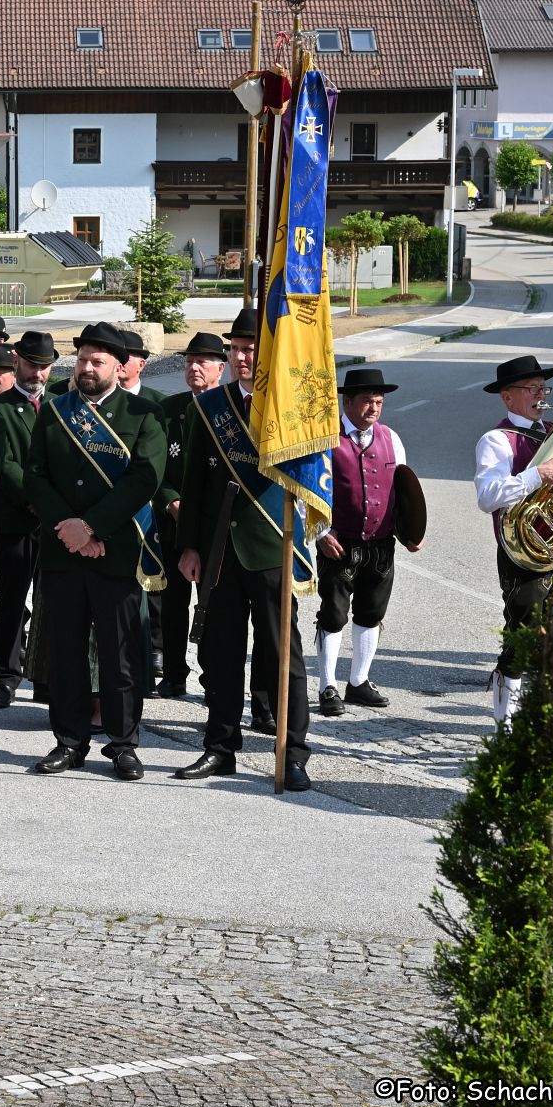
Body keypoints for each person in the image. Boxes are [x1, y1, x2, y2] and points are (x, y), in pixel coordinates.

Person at [172, 309, 313, 791]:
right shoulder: (211, 406)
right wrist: (189, 546)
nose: (241, 357)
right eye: (234, 349)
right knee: (220, 655)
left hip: (273, 544)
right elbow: (194, 483)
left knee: (282, 656)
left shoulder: (290, 407)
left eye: (250, 349)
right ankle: (220, 747)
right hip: (219, 551)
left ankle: (293, 753)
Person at [24, 323, 166, 782]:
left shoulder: (144, 414)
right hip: (63, 551)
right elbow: (35, 475)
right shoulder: (55, 411)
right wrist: (69, 529)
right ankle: (69, 741)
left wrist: (91, 527)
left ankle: (123, 743)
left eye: (97, 361)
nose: (87, 367)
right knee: (66, 653)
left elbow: (144, 479)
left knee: (119, 654)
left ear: (118, 368)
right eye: (83, 359)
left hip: (117, 552)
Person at [475, 353, 553, 727]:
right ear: (507, 396)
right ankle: (506, 728)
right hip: (522, 555)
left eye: (544, 388)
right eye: (532, 389)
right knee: (521, 641)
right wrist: (537, 475)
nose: (541, 395)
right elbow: (487, 497)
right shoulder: (497, 440)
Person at [316, 368, 416, 714]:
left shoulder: (391, 438)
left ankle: (359, 681)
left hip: (381, 544)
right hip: (339, 542)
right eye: (367, 401)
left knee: (371, 613)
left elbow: (404, 490)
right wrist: (320, 532)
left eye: (378, 402)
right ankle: (327, 685)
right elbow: (308, 492)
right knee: (333, 615)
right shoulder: (327, 438)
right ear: (347, 402)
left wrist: (411, 532)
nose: (373, 408)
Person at [0, 331, 57, 710]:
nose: (37, 373)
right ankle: (7, 676)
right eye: (31, 365)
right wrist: (40, 500)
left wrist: (59, 507)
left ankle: (46, 675)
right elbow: (2, 464)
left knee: (52, 601)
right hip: (14, 519)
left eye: (44, 367)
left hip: (57, 524)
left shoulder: (62, 406)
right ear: (16, 362)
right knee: (11, 601)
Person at [151, 333, 227, 701]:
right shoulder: (169, 410)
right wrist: (170, 501)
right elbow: (153, 467)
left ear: (220, 369)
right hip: (174, 525)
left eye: (202, 361)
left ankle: (214, 677)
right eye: (189, 361)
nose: (194, 367)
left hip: (215, 528)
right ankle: (173, 673)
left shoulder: (230, 410)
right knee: (172, 604)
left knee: (214, 605)